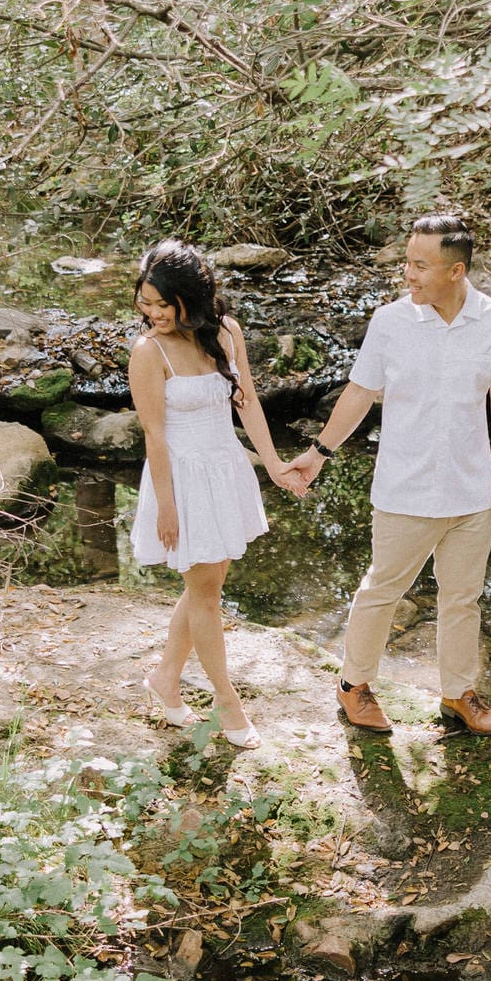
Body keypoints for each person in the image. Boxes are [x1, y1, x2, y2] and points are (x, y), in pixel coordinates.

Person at [285, 213, 491, 736]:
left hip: (471, 491)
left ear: (456, 271)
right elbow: (358, 392)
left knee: (463, 598)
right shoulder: (390, 323)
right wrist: (319, 451)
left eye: (420, 265)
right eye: (406, 263)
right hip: (405, 489)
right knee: (381, 591)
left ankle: (458, 694)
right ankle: (354, 686)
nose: (408, 275)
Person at [131, 239, 306, 749]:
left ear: (193, 298)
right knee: (207, 592)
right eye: (146, 303)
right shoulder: (149, 351)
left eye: (164, 304)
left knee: (207, 584)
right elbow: (154, 435)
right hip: (180, 479)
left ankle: (164, 679)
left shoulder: (226, 333)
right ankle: (227, 701)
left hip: (224, 468)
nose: (154, 314)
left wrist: (273, 465)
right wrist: (166, 505)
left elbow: (247, 402)